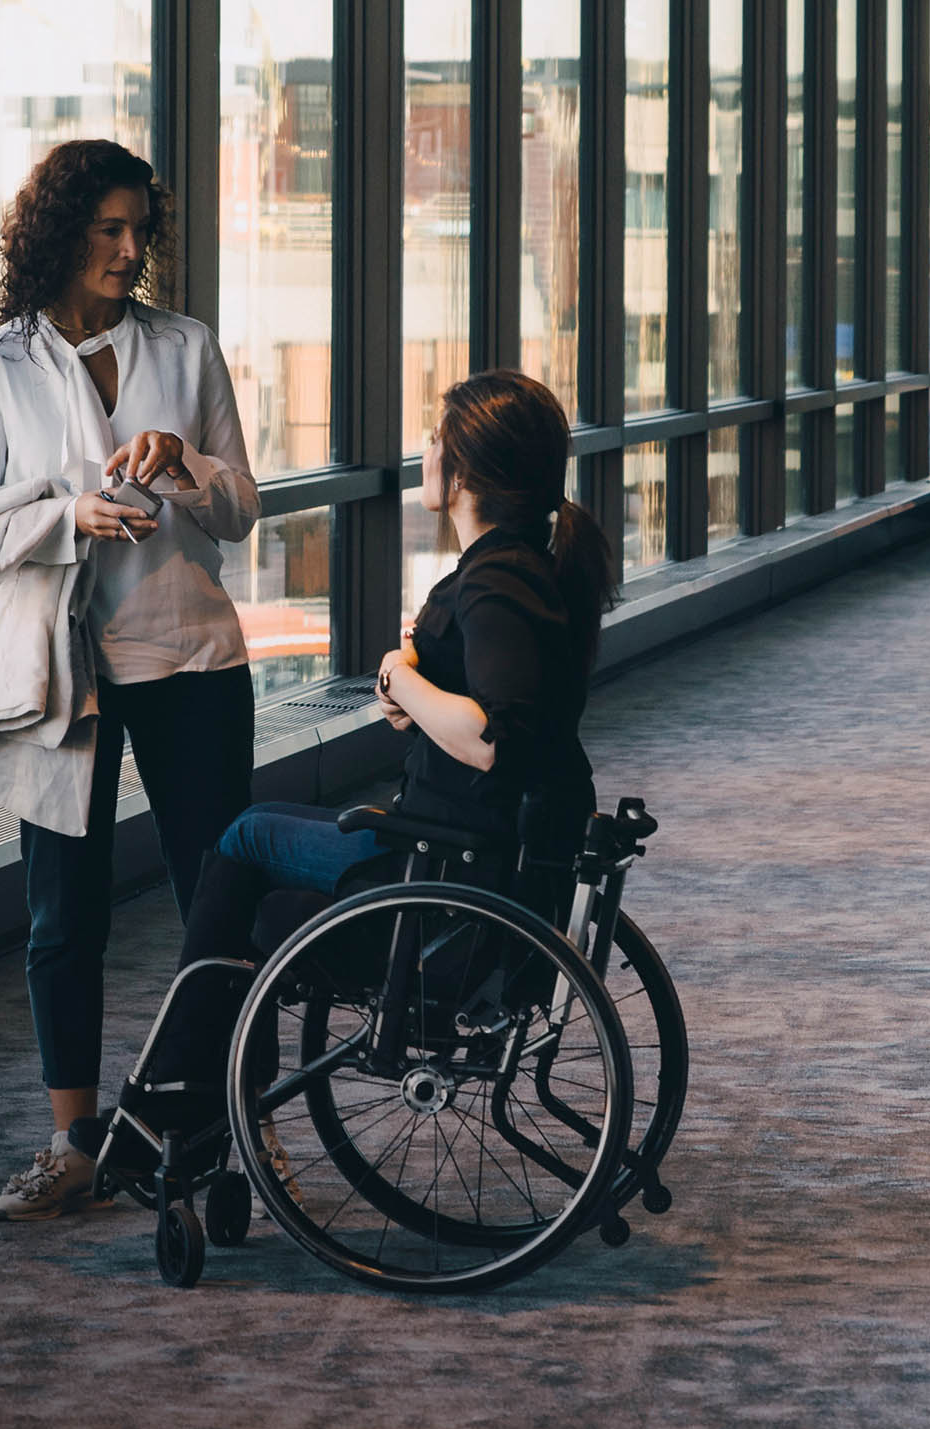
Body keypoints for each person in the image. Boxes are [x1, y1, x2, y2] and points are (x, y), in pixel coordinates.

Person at [120, 368, 616, 1151]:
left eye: (434, 440)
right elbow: (476, 707)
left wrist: (398, 677)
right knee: (253, 874)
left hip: (441, 871)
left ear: (465, 475)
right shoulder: (523, 573)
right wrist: (413, 689)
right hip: (463, 852)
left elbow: (492, 737)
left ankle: (187, 1088)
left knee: (244, 841)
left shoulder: (495, 586)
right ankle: (205, 1087)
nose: (422, 451)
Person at [0, 139, 261, 1223]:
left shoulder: (187, 347)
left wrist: (184, 465)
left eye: (139, 231)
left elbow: (241, 510)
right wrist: (68, 512)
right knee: (61, 914)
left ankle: (225, 1134)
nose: (129, 251)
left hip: (188, 651)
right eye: (106, 230)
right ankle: (74, 1142)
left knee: (218, 902)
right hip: (61, 667)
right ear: (58, 234)